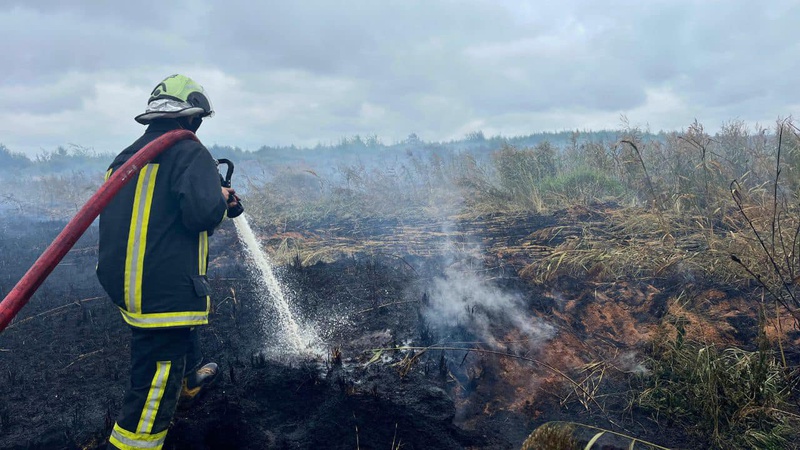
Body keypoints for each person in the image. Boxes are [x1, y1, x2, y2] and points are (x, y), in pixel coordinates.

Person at [96, 74, 239, 449]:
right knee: (154, 382)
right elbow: (201, 216)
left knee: (178, 337)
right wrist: (219, 200)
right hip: (162, 290)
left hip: (131, 284)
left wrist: (213, 191)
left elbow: (162, 212)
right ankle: (131, 443)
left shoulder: (125, 158)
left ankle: (188, 382)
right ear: (190, 118)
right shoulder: (189, 152)